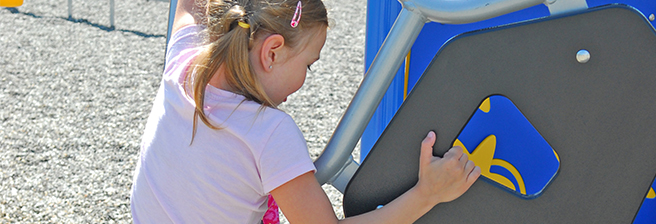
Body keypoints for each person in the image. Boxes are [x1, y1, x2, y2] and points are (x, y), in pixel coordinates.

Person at [130, 0, 482, 223]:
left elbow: (191, 6)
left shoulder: (183, 64)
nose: (304, 80)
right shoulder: (267, 133)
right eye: (309, 65)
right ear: (272, 52)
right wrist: (428, 194)